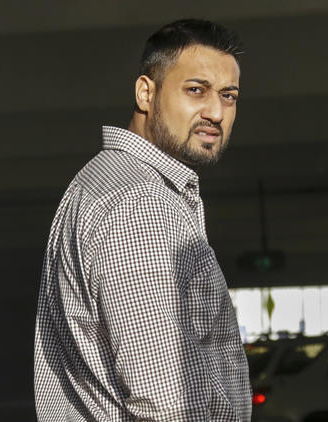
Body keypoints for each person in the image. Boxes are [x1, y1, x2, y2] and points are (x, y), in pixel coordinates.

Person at [34, 19, 251, 421]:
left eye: (229, 96)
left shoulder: (108, 183)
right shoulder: (139, 205)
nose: (216, 112)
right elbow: (165, 398)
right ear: (145, 93)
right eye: (196, 90)